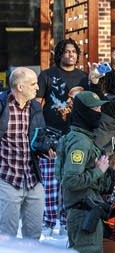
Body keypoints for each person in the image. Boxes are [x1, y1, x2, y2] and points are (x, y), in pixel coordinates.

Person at [57, 91, 114, 253]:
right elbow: (70, 180)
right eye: (95, 109)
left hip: (85, 211)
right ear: (83, 112)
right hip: (84, 213)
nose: (99, 112)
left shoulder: (78, 137)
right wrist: (99, 171)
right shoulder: (80, 142)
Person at [36, 38, 88, 236]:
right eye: (66, 51)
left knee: (71, 180)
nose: (70, 54)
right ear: (59, 54)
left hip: (75, 136)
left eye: (74, 51)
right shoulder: (47, 75)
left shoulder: (84, 78)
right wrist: (41, 137)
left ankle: (67, 222)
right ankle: (48, 222)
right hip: (50, 136)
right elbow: (36, 106)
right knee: (50, 182)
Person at [0, 67, 46, 240]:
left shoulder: (35, 107)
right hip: (7, 178)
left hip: (33, 179)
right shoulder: (2, 105)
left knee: (34, 237)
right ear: (20, 87)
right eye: (33, 84)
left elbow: (39, 137)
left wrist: (45, 148)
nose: (37, 88)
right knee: (6, 237)